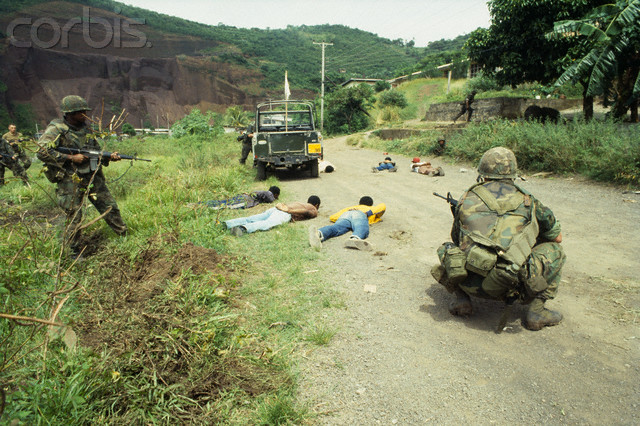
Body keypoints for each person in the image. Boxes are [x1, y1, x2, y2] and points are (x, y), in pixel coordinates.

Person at [431, 147, 565, 331]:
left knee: (449, 248)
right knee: (555, 251)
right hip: (514, 286)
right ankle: (537, 311)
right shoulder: (529, 201)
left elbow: (456, 237)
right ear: (514, 173)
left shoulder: (467, 197)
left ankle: (462, 299)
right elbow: (556, 238)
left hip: (471, 282)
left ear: (482, 173)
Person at [37, 95, 127, 255]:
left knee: (109, 206)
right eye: (81, 113)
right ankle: (74, 252)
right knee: (74, 216)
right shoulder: (56, 130)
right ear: (70, 114)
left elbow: (96, 151)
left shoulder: (86, 130)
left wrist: (109, 156)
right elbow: (42, 152)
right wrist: (71, 158)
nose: (84, 115)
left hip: (92, 177)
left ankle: (124, 235)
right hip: (69, 180)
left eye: (85, 112)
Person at [308, 196, 385, 251]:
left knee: (335, 228)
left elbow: (332, 217)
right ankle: (355, 238)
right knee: (361, 227)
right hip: (360, 214)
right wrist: (368, 213)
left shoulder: (349, 208)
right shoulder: (370, 209)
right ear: (370, 205)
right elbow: (382, 206)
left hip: (346, 215)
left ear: (359, 203)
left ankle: (319, 233)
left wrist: (349, 215)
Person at [226, 195, 320, 236]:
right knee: (267, 223)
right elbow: (306, 212)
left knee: (252, 218)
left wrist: (286, 208)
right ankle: (242, 228)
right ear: (316, 205)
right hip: (285, 212)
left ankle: (227, 223)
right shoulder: (313, 208)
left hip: (276, 209)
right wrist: (289, 210)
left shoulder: (300, 203)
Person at [196, 186, 280, 210]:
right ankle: (203, 206)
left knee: (223, 202)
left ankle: (200, 204)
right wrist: (275, 199)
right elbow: (270, 200)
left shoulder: (262, 191)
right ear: (275, 194)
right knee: (225, 206)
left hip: (244, 197)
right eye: (277, 195)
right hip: (245, 200)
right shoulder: (269, 193)